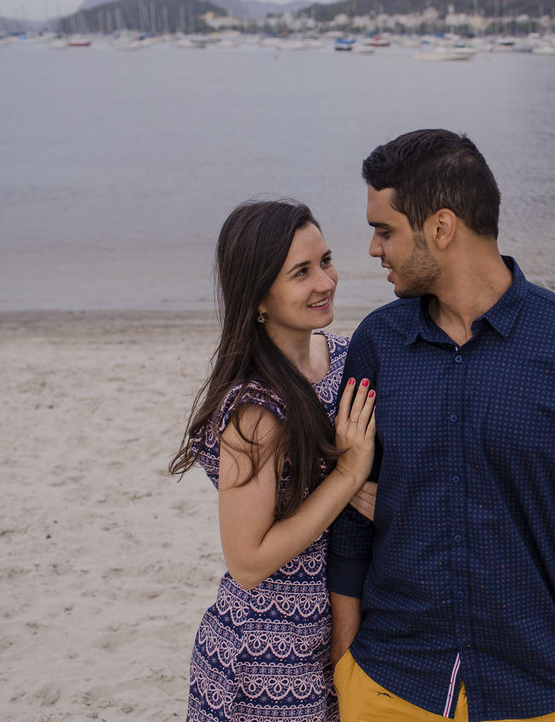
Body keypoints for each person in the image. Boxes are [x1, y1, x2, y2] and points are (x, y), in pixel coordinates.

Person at [328, 130, 555, 722]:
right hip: (390, 680)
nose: (373, 248)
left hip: (540, 687)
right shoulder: (378, 343)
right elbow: (351, 519)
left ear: (441, 229)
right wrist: (347, 661)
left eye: (385, 229)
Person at [170, 199, 377, 722]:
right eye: (301, 273)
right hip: (267, 651)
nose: (325, 282)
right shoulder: (254, 412)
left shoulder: (350, 357)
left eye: (326, 261)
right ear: (259, 295)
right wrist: (348, 476)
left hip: (344, 628)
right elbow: (248, 561)